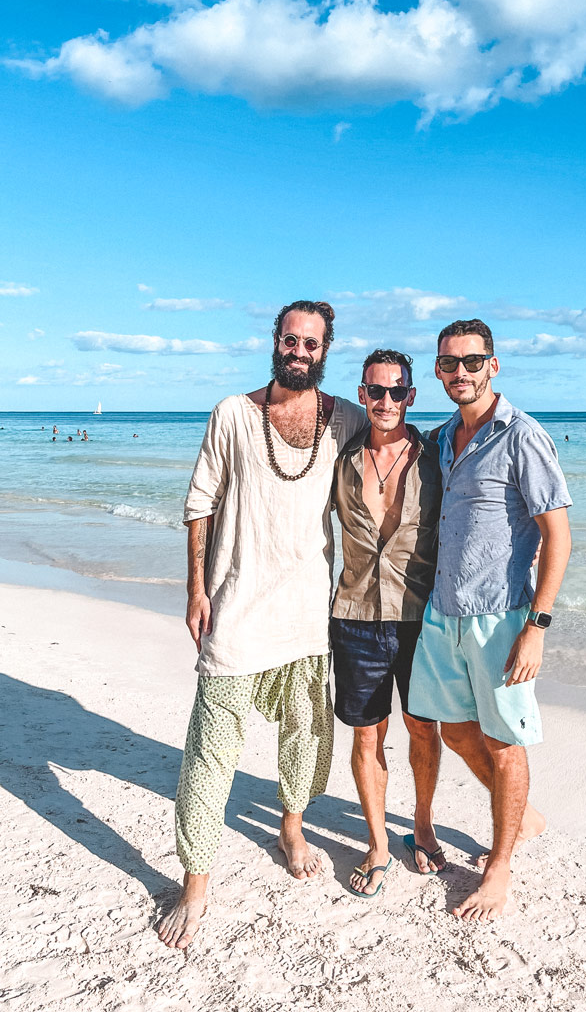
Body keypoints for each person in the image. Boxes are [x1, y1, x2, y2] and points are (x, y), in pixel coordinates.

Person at [157, 300, 364, 951]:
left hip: (307, 614)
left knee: (306, 738)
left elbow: (390, 478)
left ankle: (292, 826)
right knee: (210, 751)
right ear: (276, 342)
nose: (299, 350)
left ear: (326, 350)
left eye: (312, 343)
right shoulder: (232, 414)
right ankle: (196, 881)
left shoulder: (347, 421)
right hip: (237, 609)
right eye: (290, 339)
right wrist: (195, 585)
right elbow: (200, 501)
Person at [409, 318, 572, 922]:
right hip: (441, 612)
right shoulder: (441, 437)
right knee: (453, 731)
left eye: (472, 362)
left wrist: (538, 624)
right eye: (449, 363)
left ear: (493, 365)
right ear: (437, 370)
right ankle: (521, 815)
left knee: (505, 744)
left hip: (500, 617)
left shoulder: (522, 437)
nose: (461, 373)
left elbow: (558, 536)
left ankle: (500, 867)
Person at [331, 349, 444, 899]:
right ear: (362, 394)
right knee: (366, 732)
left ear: (412, 396)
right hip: (353, 614)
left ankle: (421, 824)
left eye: (397, 392)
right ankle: (378, 842)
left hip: (419, 616)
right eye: (376, 391)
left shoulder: (437, 455)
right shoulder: (340, 459)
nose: (386, 402)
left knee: (423, 727)